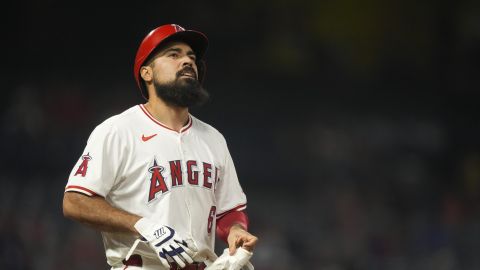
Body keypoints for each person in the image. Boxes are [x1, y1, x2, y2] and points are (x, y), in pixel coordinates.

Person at [63, 24, 258, 270]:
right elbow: (74, 201)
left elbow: (229, 210)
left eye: (192, 57)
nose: (187, 61)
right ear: (147, 73)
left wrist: (236, 230)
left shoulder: (213, 138)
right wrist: (142, 224)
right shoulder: (118, 130)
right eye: (174, 55)